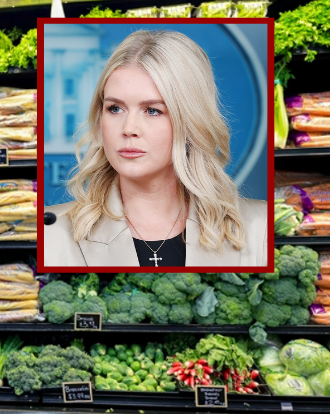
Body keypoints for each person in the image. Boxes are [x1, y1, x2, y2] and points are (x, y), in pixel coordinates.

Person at [43, 29, 267, 267]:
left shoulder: (260, 227)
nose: (129, 128)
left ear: (190, 120)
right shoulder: (50, 231)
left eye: (153, 111)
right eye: (115, 109)